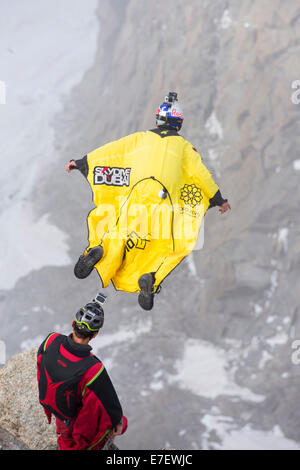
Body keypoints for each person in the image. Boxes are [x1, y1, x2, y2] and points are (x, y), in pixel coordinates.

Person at [66, 92, 231, 311]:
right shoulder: (184, 147)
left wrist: (81, 163)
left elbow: (111, 152)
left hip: (135, 197)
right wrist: (218, 200)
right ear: (178, 122)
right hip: (164, 204)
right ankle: (152, 276)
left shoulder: (138, 139)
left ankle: (98, 251)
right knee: (171, 247)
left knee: (119, 232)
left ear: (158, 119)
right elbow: (202, 175)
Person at [37, 300, 127, 450]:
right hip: (73, 418)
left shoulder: (50, 340)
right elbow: (105, 408)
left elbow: (41, 370)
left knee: (66, 431)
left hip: (59, 411)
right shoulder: (93, 369)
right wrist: (119, 421)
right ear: (95, 334)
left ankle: (64, 438)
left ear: (73, 323)